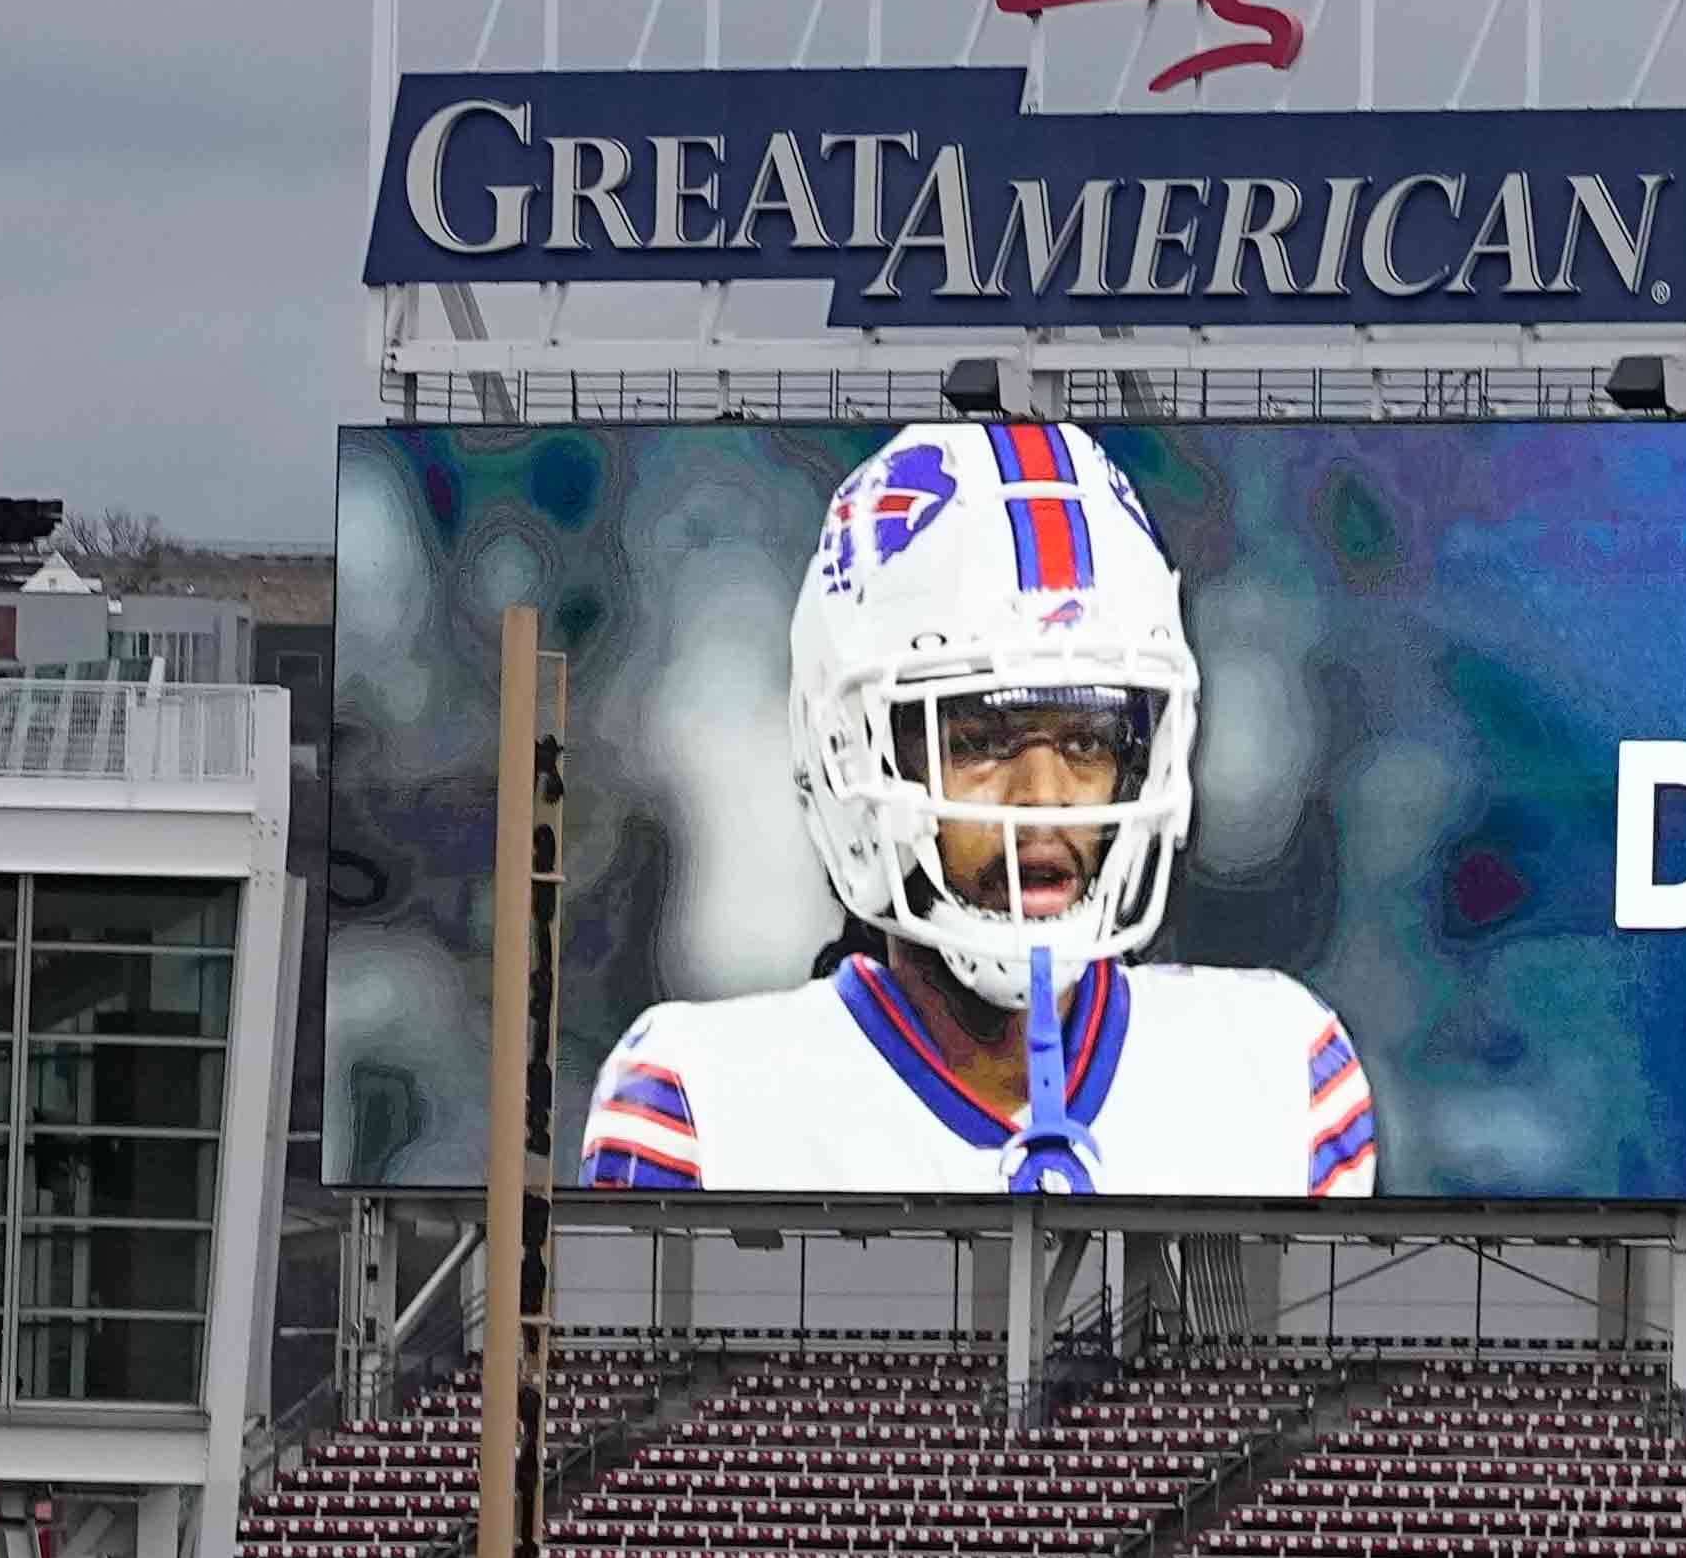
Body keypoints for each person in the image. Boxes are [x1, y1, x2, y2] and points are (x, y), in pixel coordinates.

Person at [576, 417, 1377, 1197]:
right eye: (981, 741)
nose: (1044, 800)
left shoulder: (1281, 1075)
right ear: (852, 751)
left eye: (1088, 742)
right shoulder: (701, 1109)